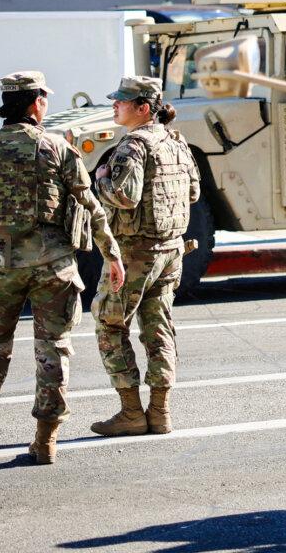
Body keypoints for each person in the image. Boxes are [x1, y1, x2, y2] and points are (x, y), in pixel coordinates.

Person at [0, 70, 125, 467]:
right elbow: (90, 206)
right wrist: (112, 254)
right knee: (53, 349)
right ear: (37, 102)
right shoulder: (56, 147)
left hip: (0, 265)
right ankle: (44, 441)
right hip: (53, 266)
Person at [90, 76, 199, 437]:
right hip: (171, 249)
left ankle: (131, 412)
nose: (115, 106)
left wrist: (102, 178)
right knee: (159, 326)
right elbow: (194, 193)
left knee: (109, 322)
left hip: (136, 251)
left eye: (122, 102)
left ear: (144, 108)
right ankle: (160, 411)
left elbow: (124, 197)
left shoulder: (132, 146)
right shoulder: (176, 142)